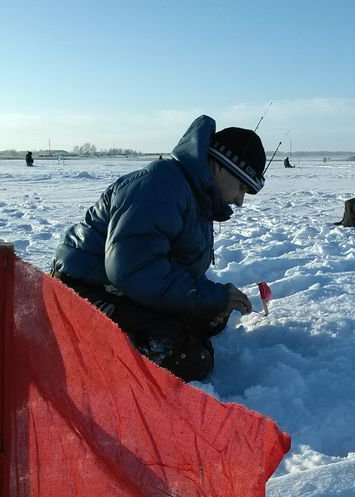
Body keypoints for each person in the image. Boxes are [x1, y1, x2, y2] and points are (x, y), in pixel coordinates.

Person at [51, 115, 265, 381]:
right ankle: (82, 359)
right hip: (83, 284)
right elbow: (132, 269)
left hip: (123, 286)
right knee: (184, 356)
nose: (240, 201)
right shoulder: (161, 187)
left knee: (208, 322)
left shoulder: (197, 197)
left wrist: (213, 303)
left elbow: (174, 268)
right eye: (242, 187)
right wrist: (211, 296)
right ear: (221, 167)